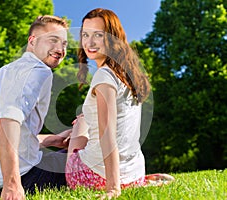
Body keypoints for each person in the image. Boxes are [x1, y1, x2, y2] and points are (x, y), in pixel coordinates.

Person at [65, 8, 174, 199]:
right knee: (85, 119)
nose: (89, 43)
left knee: (80, 123)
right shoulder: (128, 77)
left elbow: (108, 134)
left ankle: (115, 182)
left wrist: (113, 189)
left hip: (95, 177)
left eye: (98, 35)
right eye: (85, 35)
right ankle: (138, 182)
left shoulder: (104, 75)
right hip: (134, 174)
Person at [0, 15, 71, 200]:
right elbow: (7, 122)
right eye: (53, 40)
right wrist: (12, 185)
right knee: (88, 155)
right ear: (32, 40)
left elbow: (11, 133)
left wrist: (51, 140)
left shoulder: (4, 72)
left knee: (67, 151)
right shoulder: (38, 70)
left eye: (64, 44)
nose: (60, 49)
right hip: (21, 179)